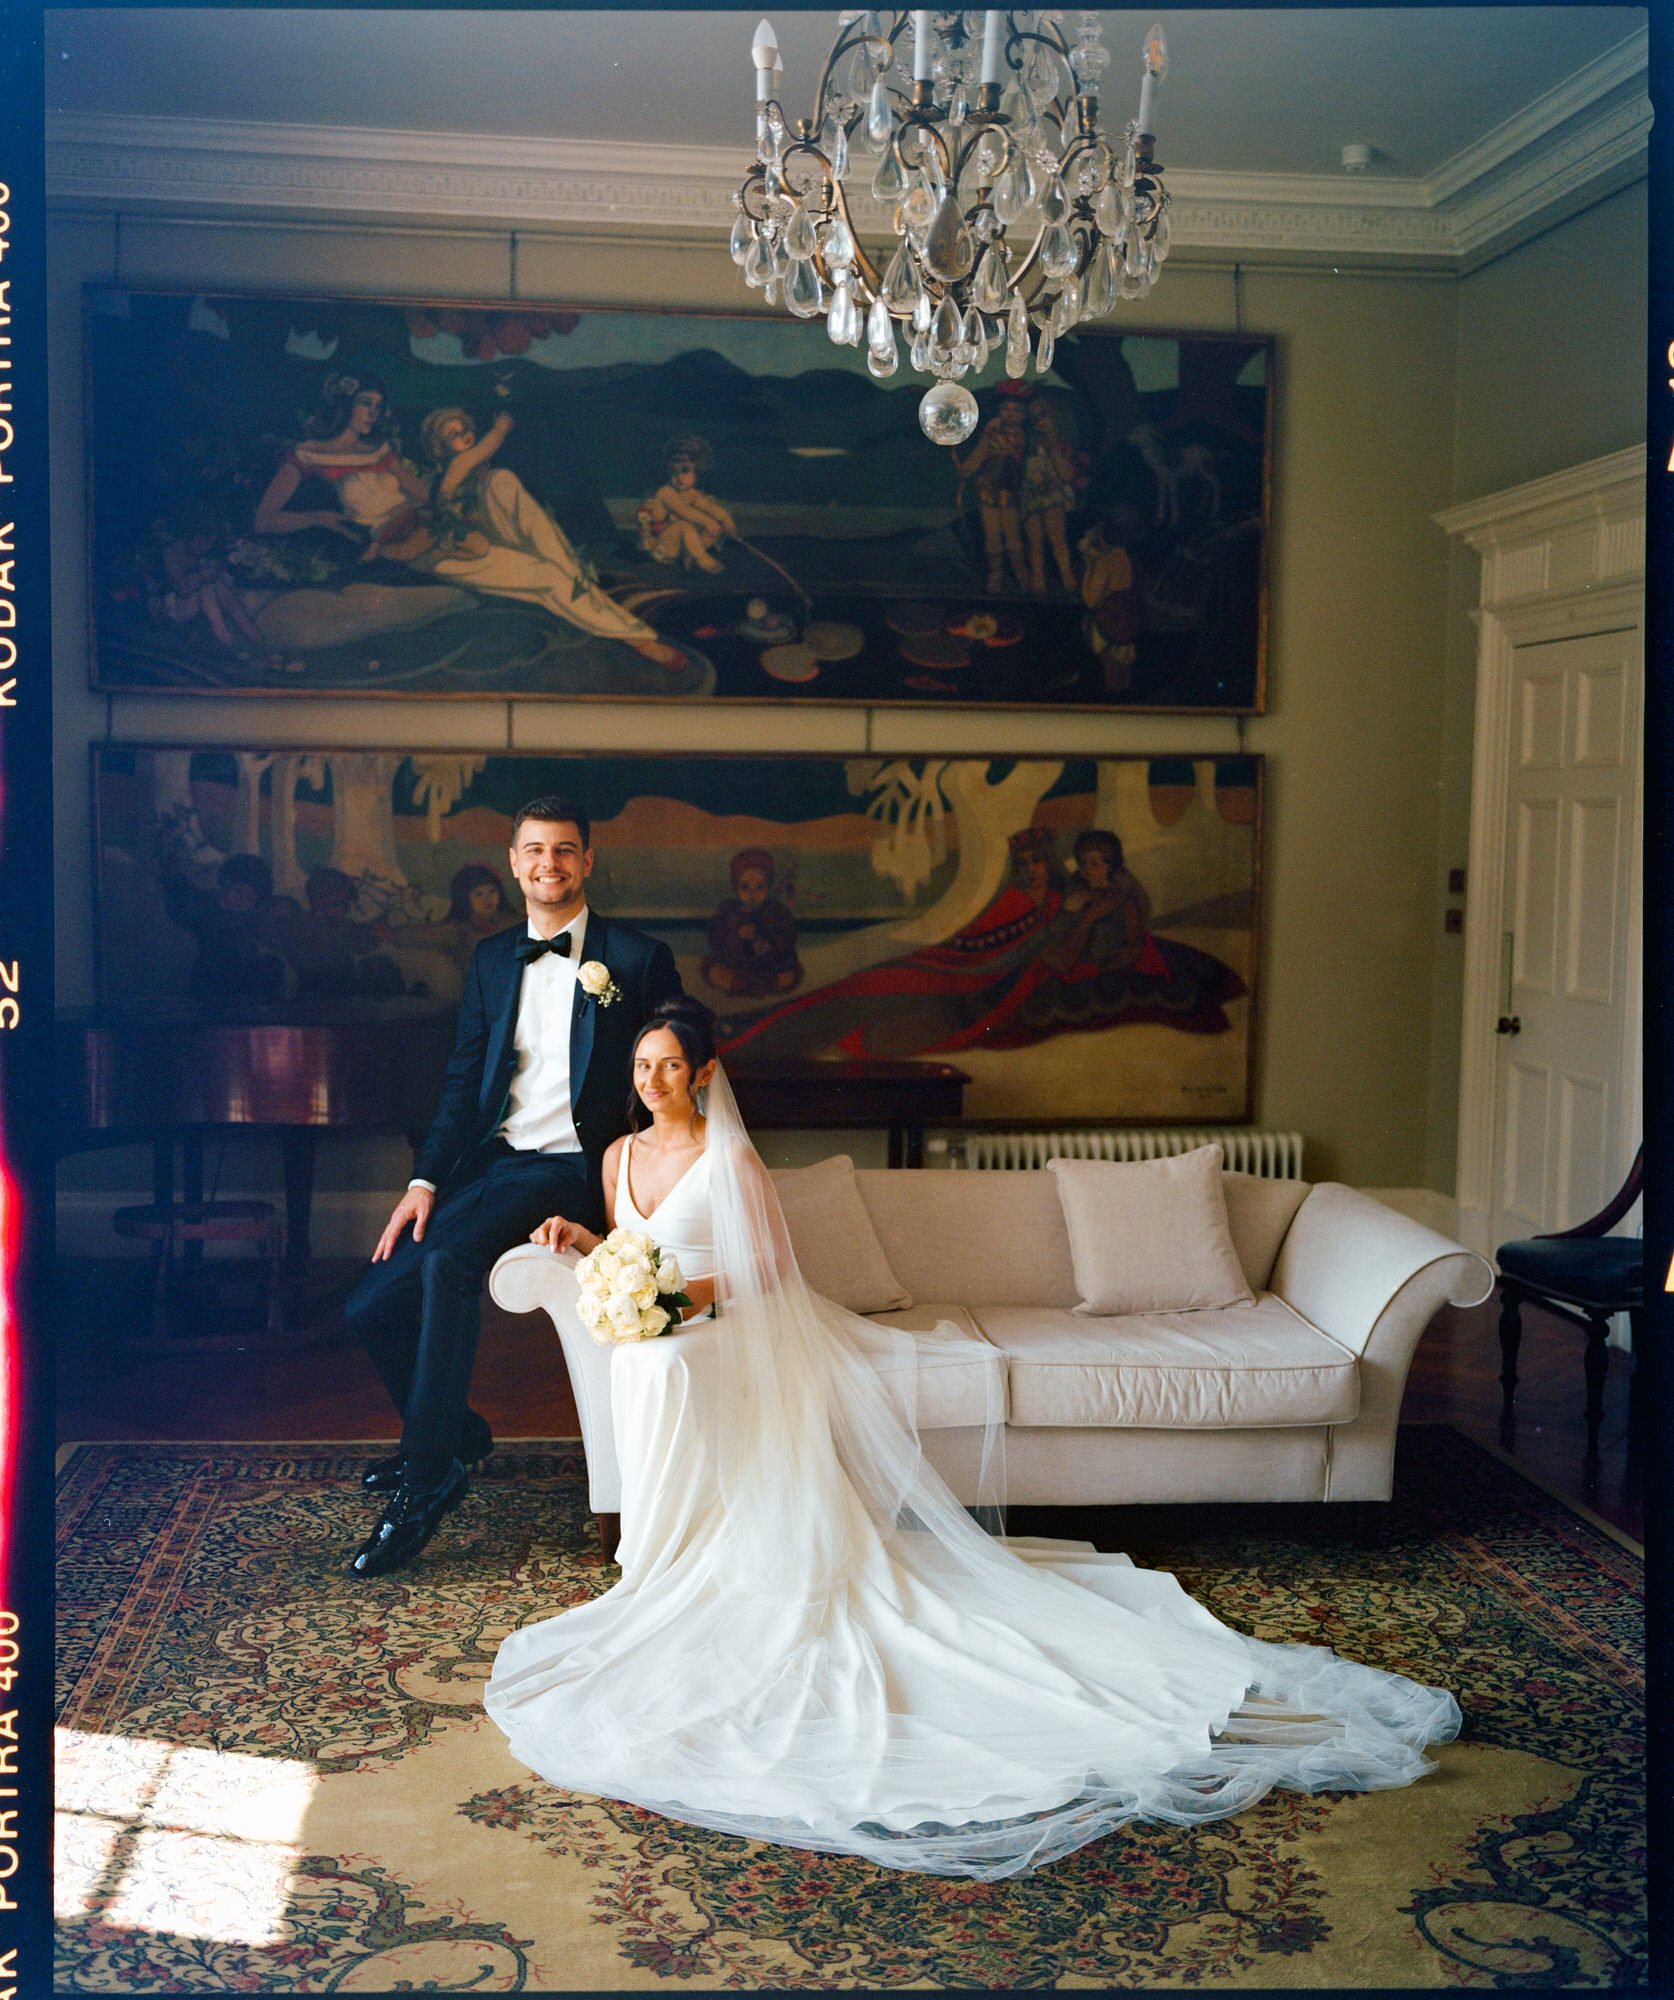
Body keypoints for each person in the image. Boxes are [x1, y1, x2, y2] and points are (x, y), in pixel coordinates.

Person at [485, 998, 1460, 1880]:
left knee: (667, 1359)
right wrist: (593, 1254)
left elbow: (763, 1272)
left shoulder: (730, 1156)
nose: (653, 1081)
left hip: (725, 1320)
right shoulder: (616, 1156)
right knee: (647, 1361)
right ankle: (657, 1555)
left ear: (701, 1073)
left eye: (670, 1066)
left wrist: (670, 1299)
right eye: (643, 1066)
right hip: (665, 1317)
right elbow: (632, 1248)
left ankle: (694, 1549)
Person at [343, 796, 683, 1578]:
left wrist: (650, 1172)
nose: (548, 866)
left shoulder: (633, 957)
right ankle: (455, 1432)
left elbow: (677, 1062)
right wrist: (424, 1179)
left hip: (573, 1169)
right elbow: (465, 1083)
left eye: (565, 851)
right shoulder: (494, 959)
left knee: (449, 1265)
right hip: (493, 1164)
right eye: (534, 852)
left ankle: (429, 1482)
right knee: (367, 1304)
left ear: (588, 862)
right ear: (513, 861)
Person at [417, 406, 686, 670]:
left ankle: (568, 567)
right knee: (552, 578)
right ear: (442, 446)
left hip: (486, 546)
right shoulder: (458, 466)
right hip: (462, 558)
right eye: (453, 434)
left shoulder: (481, 476)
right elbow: (484, 453)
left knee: (501, 480)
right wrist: (500, 429)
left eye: (464, 429)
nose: (464, 435)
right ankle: (635, 636)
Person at [701, 847, 802, 998]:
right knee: (715, 972)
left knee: (788, 976)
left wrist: (768, 943)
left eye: (760, 887)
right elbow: (715, 937)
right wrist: (737, 935)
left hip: (769, 967)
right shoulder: (728, 909)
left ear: (768, 887)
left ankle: (760, 987)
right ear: (736, 887)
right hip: (736, 966)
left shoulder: (777, 911)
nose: (752, 894)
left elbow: (787, 938)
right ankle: (742, 986)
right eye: (745, 887)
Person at [636, 433, 737, 574]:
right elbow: (685, 511)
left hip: (680, 548)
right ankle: (702, 558)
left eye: (685, 470)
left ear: (697, 469)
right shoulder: (665, 492)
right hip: (662, 547)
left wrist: (726, 521)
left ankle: (690, 554)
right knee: (685, 525)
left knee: (715, 528)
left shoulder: (693, 494)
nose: (679, 477)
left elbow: (711, 508)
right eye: (674, 472)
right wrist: (709, 522)